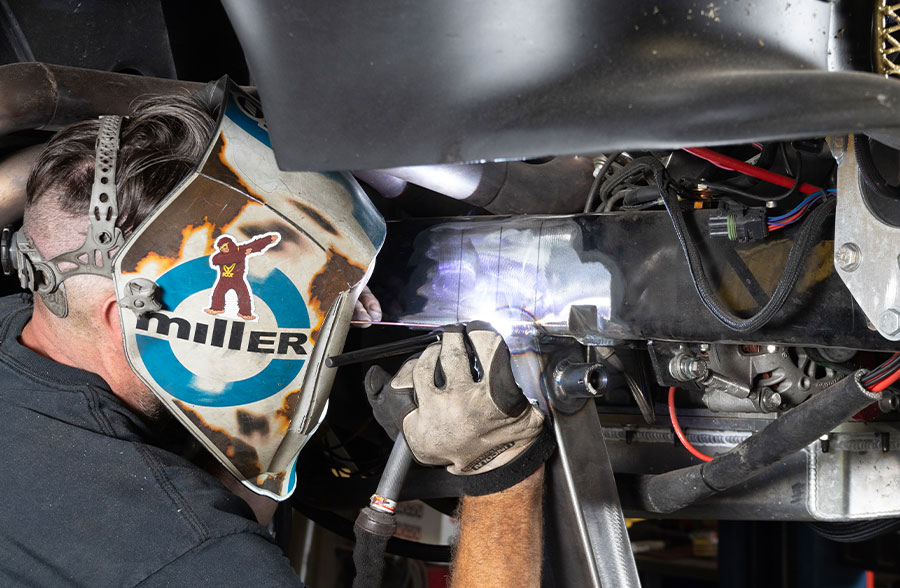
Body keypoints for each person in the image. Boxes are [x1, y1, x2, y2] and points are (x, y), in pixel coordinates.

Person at [0, 89, 554, 587]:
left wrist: (292, 381)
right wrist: (499, 466)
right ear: (125, 314)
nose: (322, 328)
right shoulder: (179, 553)